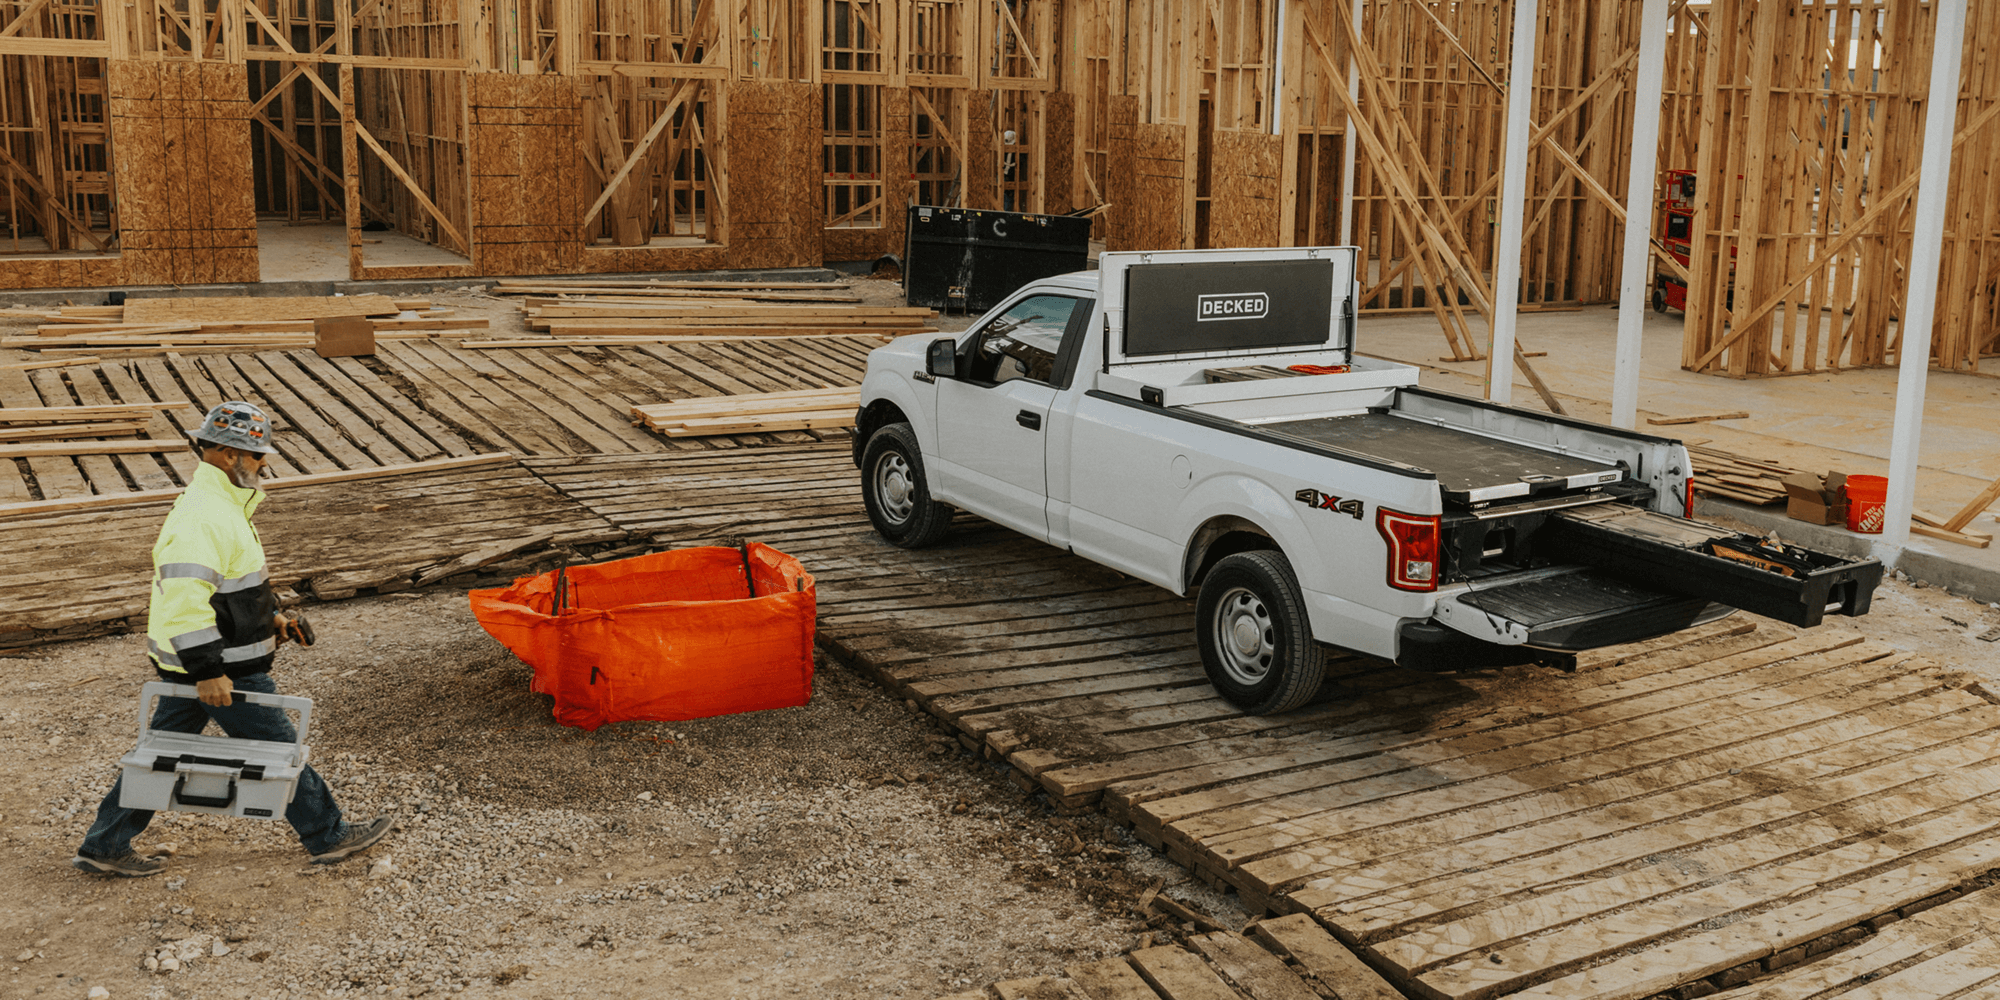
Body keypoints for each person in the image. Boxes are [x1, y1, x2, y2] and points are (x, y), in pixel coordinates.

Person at [72, 401, 391, 877]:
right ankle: (329, 836)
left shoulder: (224, 505)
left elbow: (232, 588)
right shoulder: (203, 517)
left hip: (203, 665)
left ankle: (105, 844)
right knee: (281, 751)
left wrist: (273, 619)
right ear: (228, 454)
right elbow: (185, 602)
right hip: (221, 670)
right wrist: (209, 672)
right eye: (259, 455)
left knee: (160, 756)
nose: (265, 464)